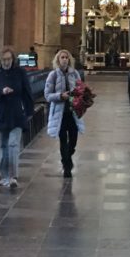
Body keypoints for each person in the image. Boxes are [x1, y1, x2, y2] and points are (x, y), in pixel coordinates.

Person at [0, 46, 34, 190]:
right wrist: (1, 91)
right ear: (0, 60)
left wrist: (29, 110)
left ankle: (13, 176)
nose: (6, 62)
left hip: (17, 113)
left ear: (13, 59)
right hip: (1, 113)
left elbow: (27, 92)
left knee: (13, 145)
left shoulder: (20, 73)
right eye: (3, 59)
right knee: (4, 145)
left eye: (8, 59)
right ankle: (4, 175)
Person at [44, 48, 83, 178]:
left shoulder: (75, 74)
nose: (64, 60)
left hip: (72, 112)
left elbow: (80, 90)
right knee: (63, 140)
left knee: (73, 140)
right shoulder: (53, 75)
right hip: (60, 114)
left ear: (69, 60)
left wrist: (79, 96)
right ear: (58, 60)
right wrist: (60, 96)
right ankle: (66, 166)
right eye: (62, 57)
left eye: (66, 57)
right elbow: (47, 95)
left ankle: (67, 157)